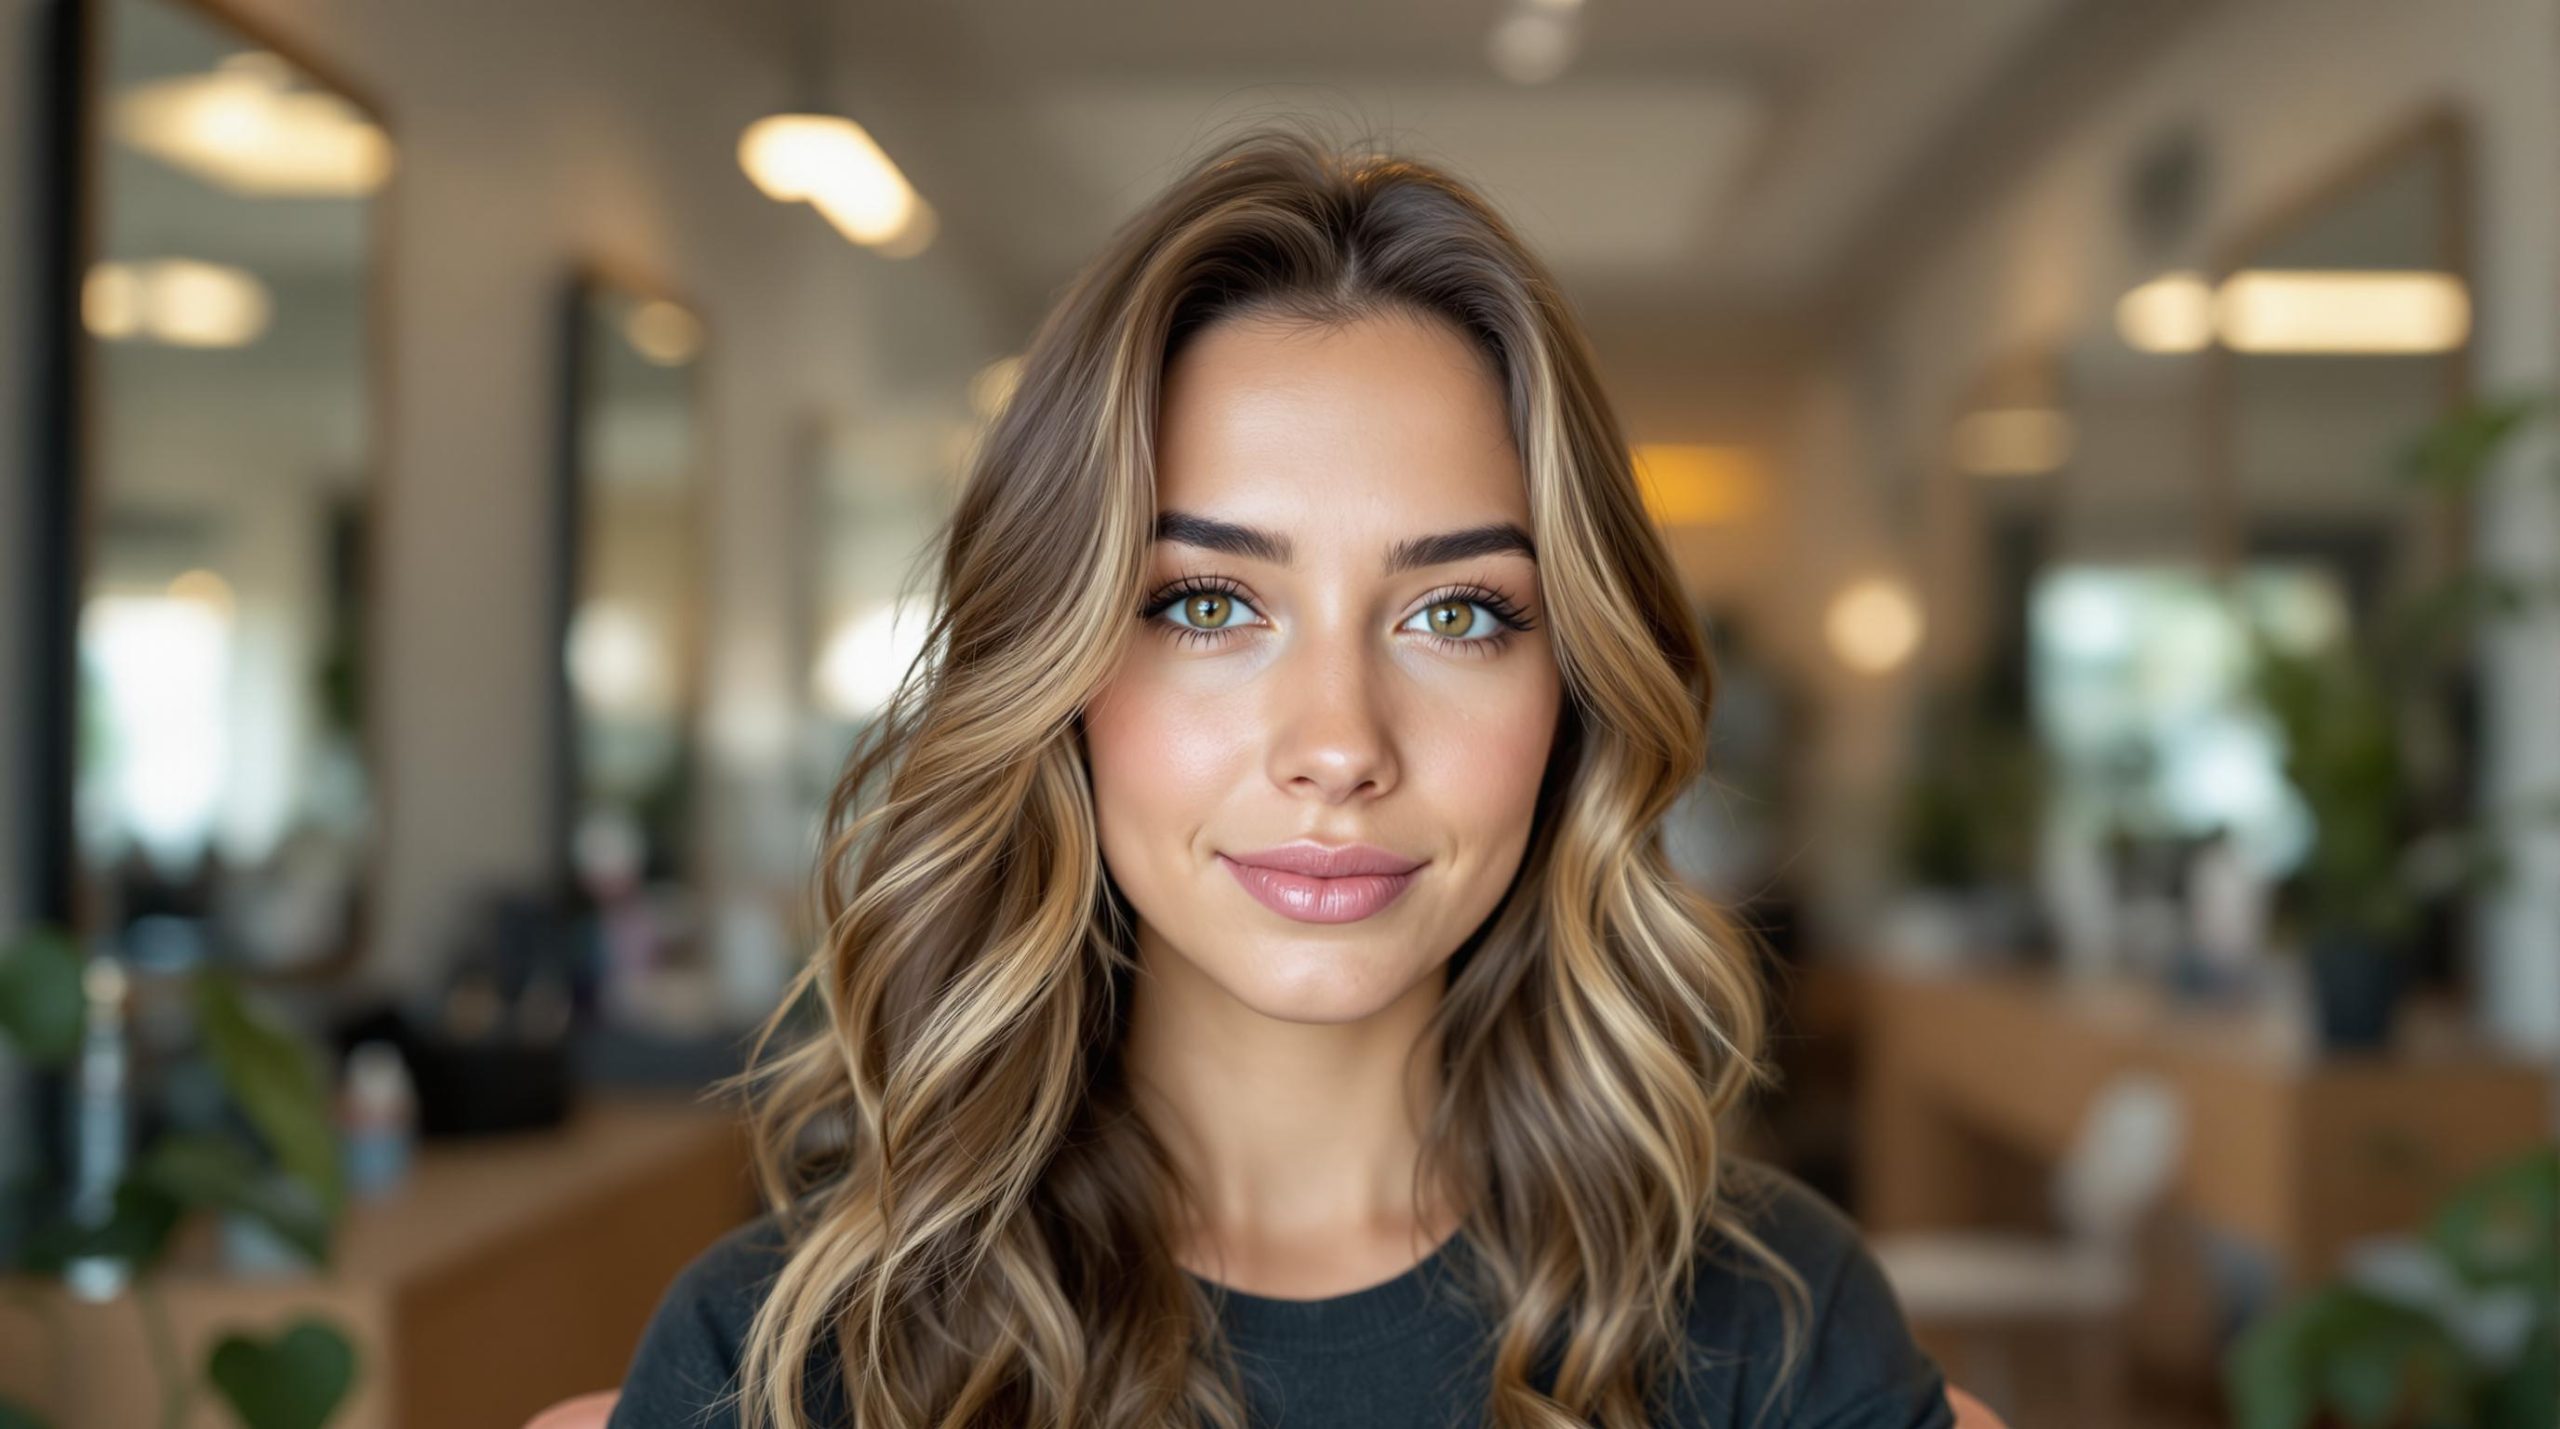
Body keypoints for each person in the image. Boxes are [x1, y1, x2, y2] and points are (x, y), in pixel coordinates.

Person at [607, 124, 1955, 1429]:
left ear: (1576, 696)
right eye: (1206, 604)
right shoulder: (787, 1360)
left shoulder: (1776, 1328)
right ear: (1057, 678)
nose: (1338, 745)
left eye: (1457, 613)